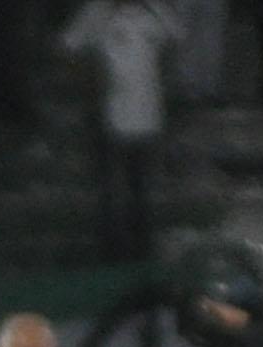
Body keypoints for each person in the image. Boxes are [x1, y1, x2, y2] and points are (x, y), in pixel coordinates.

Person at [60, 0, 182, 259]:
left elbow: (177, 42)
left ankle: (142, 246)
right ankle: (111, 248)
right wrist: (93, 84)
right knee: (111, 187)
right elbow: (69, 46)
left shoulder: (156, 11)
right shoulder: (96, 12)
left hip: (148, 116)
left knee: (141, 186)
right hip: (110, 116)